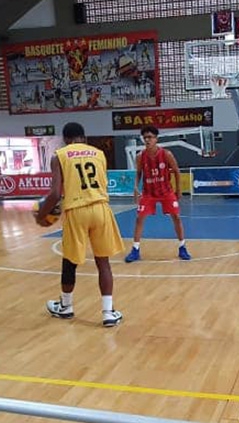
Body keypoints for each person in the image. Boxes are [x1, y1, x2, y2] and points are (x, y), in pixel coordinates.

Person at [36, 122, 124, 327]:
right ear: (83, 138)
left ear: (65, 139)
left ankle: (66, 306)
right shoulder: (99, 153)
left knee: (70, 260)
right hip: (101, 208)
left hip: (77, 210)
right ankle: (108, 312)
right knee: (103, 262)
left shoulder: (59, 155)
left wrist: (42, 214)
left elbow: (56, 193)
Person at [124, 126, 190, 262]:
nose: (147, 140)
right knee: (139, 218)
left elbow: (177, 171)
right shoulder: (140, 156)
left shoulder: (166, 154)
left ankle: (182, 247)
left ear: (156, 138)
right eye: (145, 137)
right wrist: (136, 187)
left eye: (150, 137)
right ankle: (135, 249)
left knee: (176, 217)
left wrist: (179, 190)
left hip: (166, 191)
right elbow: (138, 173)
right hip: (149, 193)